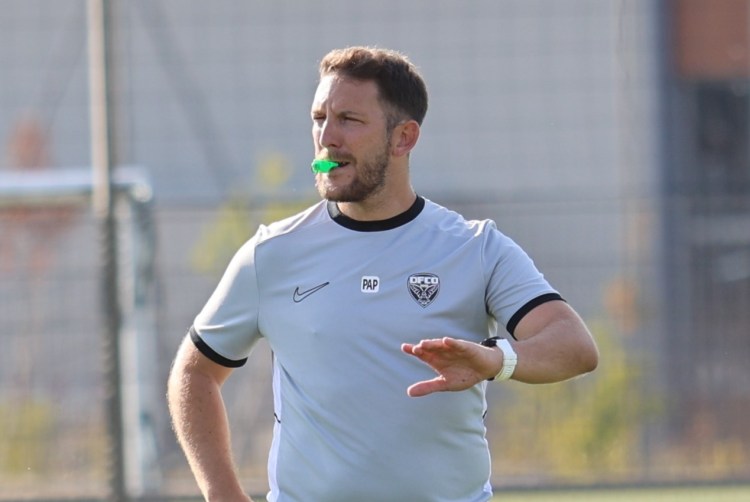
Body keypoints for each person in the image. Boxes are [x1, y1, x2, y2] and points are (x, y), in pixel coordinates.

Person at [167, 46, 599, 502]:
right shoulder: (272, 253)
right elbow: (194, 374)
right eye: (319, 118)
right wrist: (224, 494)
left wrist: (496, 360)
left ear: (403, 138)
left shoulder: (476, 247)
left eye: (349, 120)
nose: (327, 137)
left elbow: (574, 347)